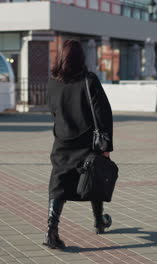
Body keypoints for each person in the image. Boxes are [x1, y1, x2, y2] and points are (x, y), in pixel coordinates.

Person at [44, 40, 114, 249]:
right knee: (95, 177)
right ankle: (99, 221)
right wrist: (105, 147)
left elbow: (53, 111)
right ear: (80, 58)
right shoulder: (88, 80)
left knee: (58, 185)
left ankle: (51, 231)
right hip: (86, 143)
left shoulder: (53, 82)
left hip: (62, 142)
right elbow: (103, 114)